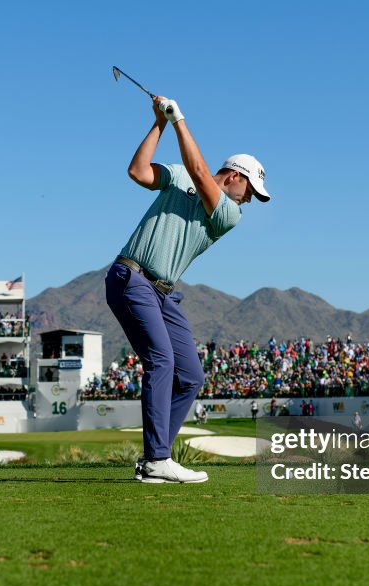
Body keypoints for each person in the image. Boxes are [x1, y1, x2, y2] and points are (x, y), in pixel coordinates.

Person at [106, 95, 270, 484]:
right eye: (250, 190)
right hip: (131, 278)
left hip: (162, 293)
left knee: (191, 375)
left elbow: (199, 172)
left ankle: (155, 457)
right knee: (162, 360)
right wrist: (159, 124)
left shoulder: (229, 215)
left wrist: (178, 119)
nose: (249, 199)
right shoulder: (180, 176)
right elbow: (137, 171)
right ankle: (158, 459)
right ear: (235, 175)